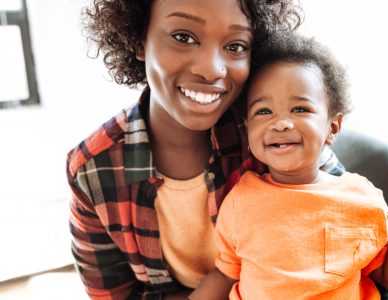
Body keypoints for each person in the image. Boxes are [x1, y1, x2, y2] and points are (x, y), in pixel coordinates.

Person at [67, 1, 306, 299]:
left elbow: (339, 222)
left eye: (235, 46)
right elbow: (112, 295)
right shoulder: (93, 168)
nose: (211, 69)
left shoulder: (275, 133)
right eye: (183, 37)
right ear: (139, 39)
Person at [188, 34, 388, 300]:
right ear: (248, 128)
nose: (281, 123)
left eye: (300, 109)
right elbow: (225, 273)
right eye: (263, 112)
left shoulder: (359, 197)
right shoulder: (240, 199)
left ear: (332, 127)